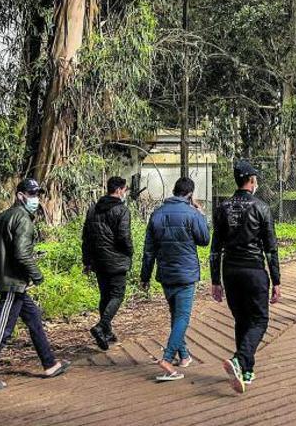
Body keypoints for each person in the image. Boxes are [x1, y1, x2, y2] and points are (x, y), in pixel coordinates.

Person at [0, 178, 70, 395]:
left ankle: (50, 364)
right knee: (1, 331)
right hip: (12, 283)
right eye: (32, 194)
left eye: (37, 194)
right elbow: (21, 253)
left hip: (4, 279)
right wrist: (36, 275)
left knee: (33, 316)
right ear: (20, 195)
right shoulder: (23, 219)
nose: (35, 199)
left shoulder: (2, 217)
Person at [210, 160, 281, 394]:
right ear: (251, 180)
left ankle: (246, 370)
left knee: (241, 320)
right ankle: (239, 360)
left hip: (230, 272)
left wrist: (215, 281)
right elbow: (271, 249)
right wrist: (277, 281)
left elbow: (215, 249)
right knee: (259, 320)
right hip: (254, 271)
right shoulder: (261, 207)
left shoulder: (223, 208)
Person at [140, 177, 210, 382]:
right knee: (182, 317)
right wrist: (201, 214)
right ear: (190, 194)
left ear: (174, 191)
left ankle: (185, 356)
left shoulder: (157, 214)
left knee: (175, 315)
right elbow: (204, 240)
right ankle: (168, 358)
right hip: (186, 274)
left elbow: (148, 250)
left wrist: (145, 277)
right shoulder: (192, 213)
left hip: (166, 273)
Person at [82, 176, 133, 350]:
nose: (125, 193)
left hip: (98, 260)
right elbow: (124, 236)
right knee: (117, 295)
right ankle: (101, 326)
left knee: (105, 295)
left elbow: (86, 237)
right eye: (125, 190)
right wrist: (129, 252)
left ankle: (107, 332)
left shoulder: (92, 209)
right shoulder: (122, 210)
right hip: (116, 260)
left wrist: (87, 260)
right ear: (119, 190)